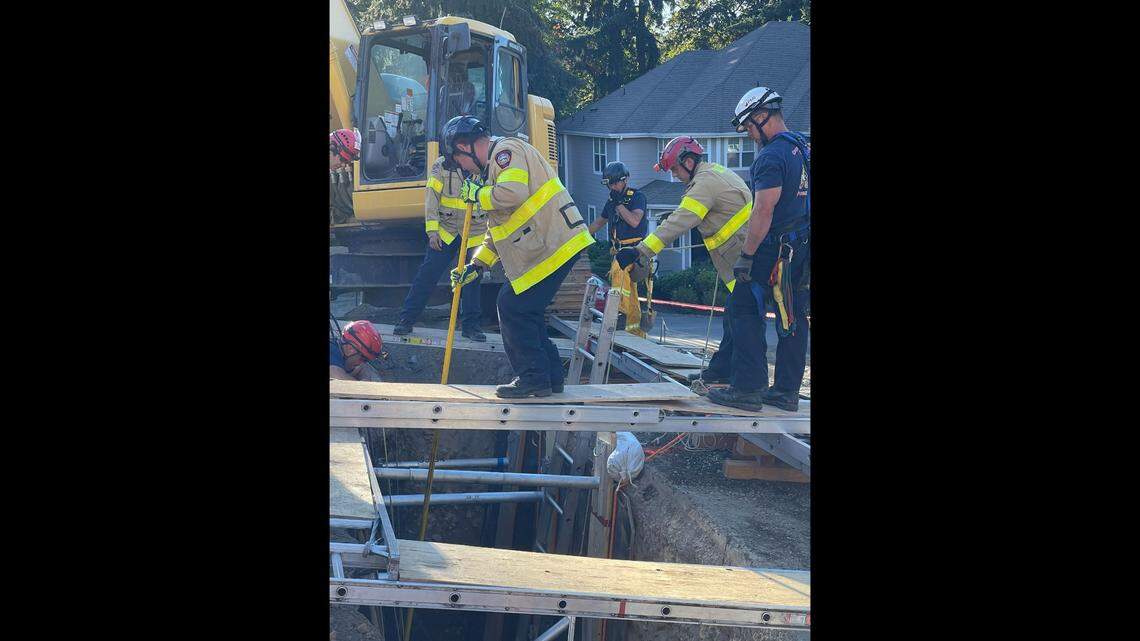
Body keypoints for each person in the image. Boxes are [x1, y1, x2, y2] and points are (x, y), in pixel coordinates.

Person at [444, 115, 595, 398]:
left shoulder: (505, 152)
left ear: (466, 147)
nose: (462, 169)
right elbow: (497, 231)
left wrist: (479, 195)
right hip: (551, 245)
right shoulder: (491, 174)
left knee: (512, 305)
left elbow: (513, 193)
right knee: (526, 310)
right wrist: (476, 264)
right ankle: (549, 378)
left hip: (554, 243)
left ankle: (533, 378)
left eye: (458, 160)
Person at [614, 137, 760, 410]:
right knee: (734, 319)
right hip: (739, 263)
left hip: (743, 264)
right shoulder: (713, 174)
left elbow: (679, 221)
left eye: (675, 170)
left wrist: (641, 251)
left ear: (689, 162)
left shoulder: (704, 185)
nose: (675, 177)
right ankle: (721, 372)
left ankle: (748, 389)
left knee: (744, 324)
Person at [723, 86, 810, 412]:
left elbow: (763, 210)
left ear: (762, 117)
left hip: (773, 249)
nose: (748, 134)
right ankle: (786, 393)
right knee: (792, 317)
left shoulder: (771, 157)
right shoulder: (803, 147)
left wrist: (746, 256)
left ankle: (748, 388)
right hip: (799, 248)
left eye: (748, 126)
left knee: (742, 305)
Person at [392, 154, 488, 341]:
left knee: (472, 280)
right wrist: (432, 231)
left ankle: (471, 327)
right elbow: (432, 198)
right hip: (447, 231)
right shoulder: (442, 164)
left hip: (475, 232)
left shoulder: (483, 164)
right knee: (427, 275)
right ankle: (406, 320)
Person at [588, 161, 649, 337]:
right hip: (618, 251)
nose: (613, 187)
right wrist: (579, 237)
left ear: (625, 180)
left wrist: (619, 205)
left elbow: (634, 221)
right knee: (632, 294)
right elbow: (599, 222)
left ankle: (619, 312)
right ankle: (635, 331)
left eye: (615, 182)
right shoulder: (611, 201)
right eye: (610, 184)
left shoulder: (637, 197)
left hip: (635, 252)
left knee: (618, 271)